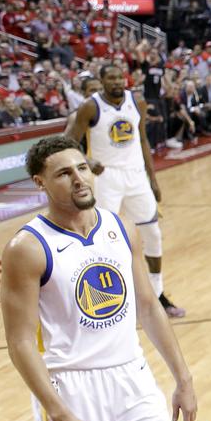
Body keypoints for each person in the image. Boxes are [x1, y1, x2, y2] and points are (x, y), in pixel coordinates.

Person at [0, 136, 195, 421]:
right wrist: (59, 414)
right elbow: (19, 343)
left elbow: (147, 305)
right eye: (63, 173)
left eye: (83, 168)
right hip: (72, 388)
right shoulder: (27, 247)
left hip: (131, 377)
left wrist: (183, 378)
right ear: (40, 183)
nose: (78, 179)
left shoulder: (120, 228)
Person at [65, 65, 184, 318]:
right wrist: (85, 159)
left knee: (152, 233)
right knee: (102, 239)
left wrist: (153, 179)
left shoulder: (136, 101)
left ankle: (157, 293)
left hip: (137, 175)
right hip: (106, 177)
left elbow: (142, 140)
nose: (117, 81)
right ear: (102, 80)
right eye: (111, 77)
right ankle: (107, 299)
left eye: (120, 77)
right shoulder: (90, 106)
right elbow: (68, 141)